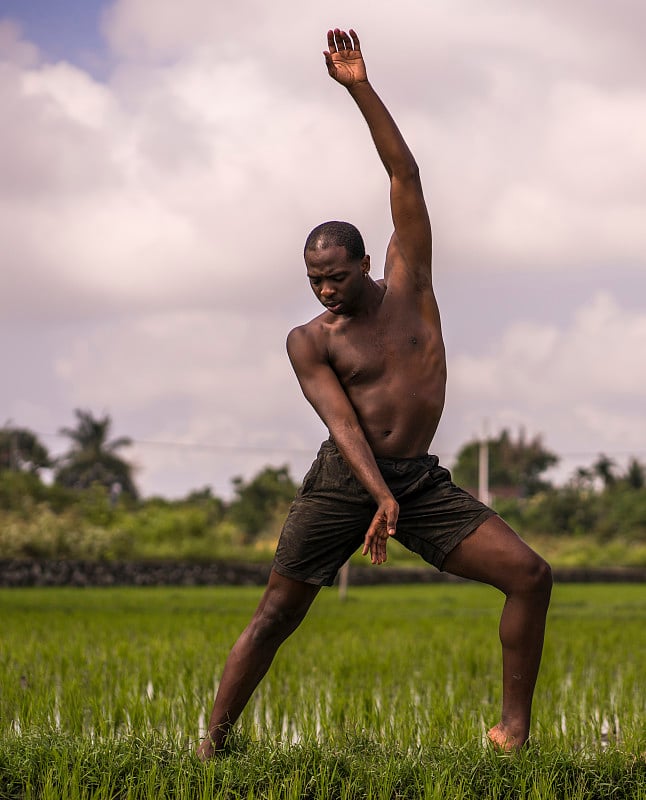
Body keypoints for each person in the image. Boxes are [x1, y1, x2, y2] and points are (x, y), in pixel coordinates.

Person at [197, 28, 552, 759]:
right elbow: (343, 423)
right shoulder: (311, 339)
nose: (326, 289)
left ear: (368, 261)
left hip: (416, 480)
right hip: (343, 481)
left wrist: (359, 86)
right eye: (314, 280)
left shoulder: (411, 284)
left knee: (530, 575)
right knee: (277, 613)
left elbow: (406, 177)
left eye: (336, 275)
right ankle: (213, 745)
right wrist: (374, 496)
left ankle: (512, 731)